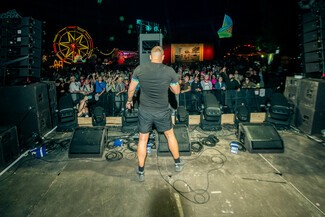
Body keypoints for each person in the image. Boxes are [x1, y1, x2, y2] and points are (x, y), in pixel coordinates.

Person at [126, 46, 184, 182]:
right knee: (170, 136)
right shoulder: (169, 71)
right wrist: (169, 84)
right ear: (163, 57)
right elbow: (177, 91)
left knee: (142, 140)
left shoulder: (140, 69)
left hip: (145, 111)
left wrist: (129, 101)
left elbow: (131, 88)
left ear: (151, 57)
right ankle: (177, 163)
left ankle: (141, 171)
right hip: (162, 111)